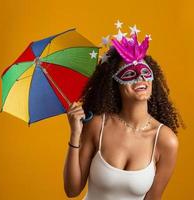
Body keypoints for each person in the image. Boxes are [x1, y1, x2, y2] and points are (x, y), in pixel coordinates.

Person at [63, 28, 184, 200]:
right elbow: (72, 190)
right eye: (129, 74)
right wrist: (75, 134)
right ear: (115, 83)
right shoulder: (98, 125)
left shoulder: (166, 140)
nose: (140, 78)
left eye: (145, 72)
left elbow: (153, 198)